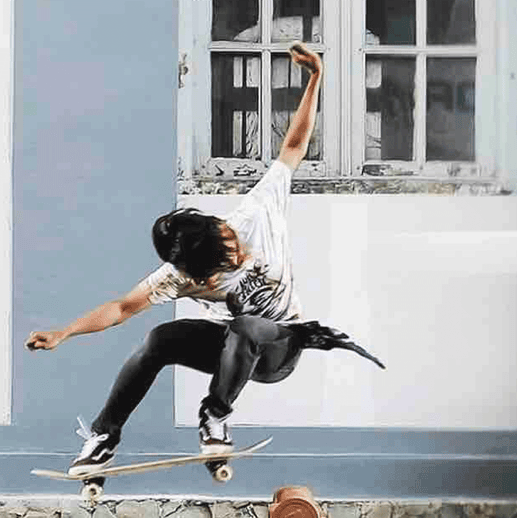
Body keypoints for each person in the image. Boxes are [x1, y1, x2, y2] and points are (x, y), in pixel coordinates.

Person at [25, 41, 383, 476]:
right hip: (231, 352)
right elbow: (121, 308)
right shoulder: (177, 276)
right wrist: (65, 332)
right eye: (221, 270)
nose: (239, 258)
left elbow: (293, 146)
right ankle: (104, 437)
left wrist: (315, 79)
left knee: (246, 325)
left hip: (279, 347)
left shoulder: (258, 212)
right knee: (160, 338)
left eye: (232, 251)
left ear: (221, 228)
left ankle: (214, 415)